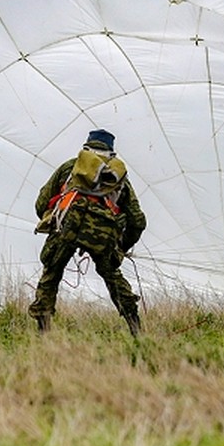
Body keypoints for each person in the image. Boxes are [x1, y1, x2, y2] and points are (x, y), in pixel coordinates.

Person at [28, 128, 146, 336]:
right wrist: (121, 247)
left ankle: (43, 331)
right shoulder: (119, 179)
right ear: (111, 152)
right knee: (112, 277)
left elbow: (41, 203)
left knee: (52, 273)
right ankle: (135, 328)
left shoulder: (70, 168)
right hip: (103, 234)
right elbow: (137, 220)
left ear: (87, 146)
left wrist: (53, 221)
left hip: (68, 228)